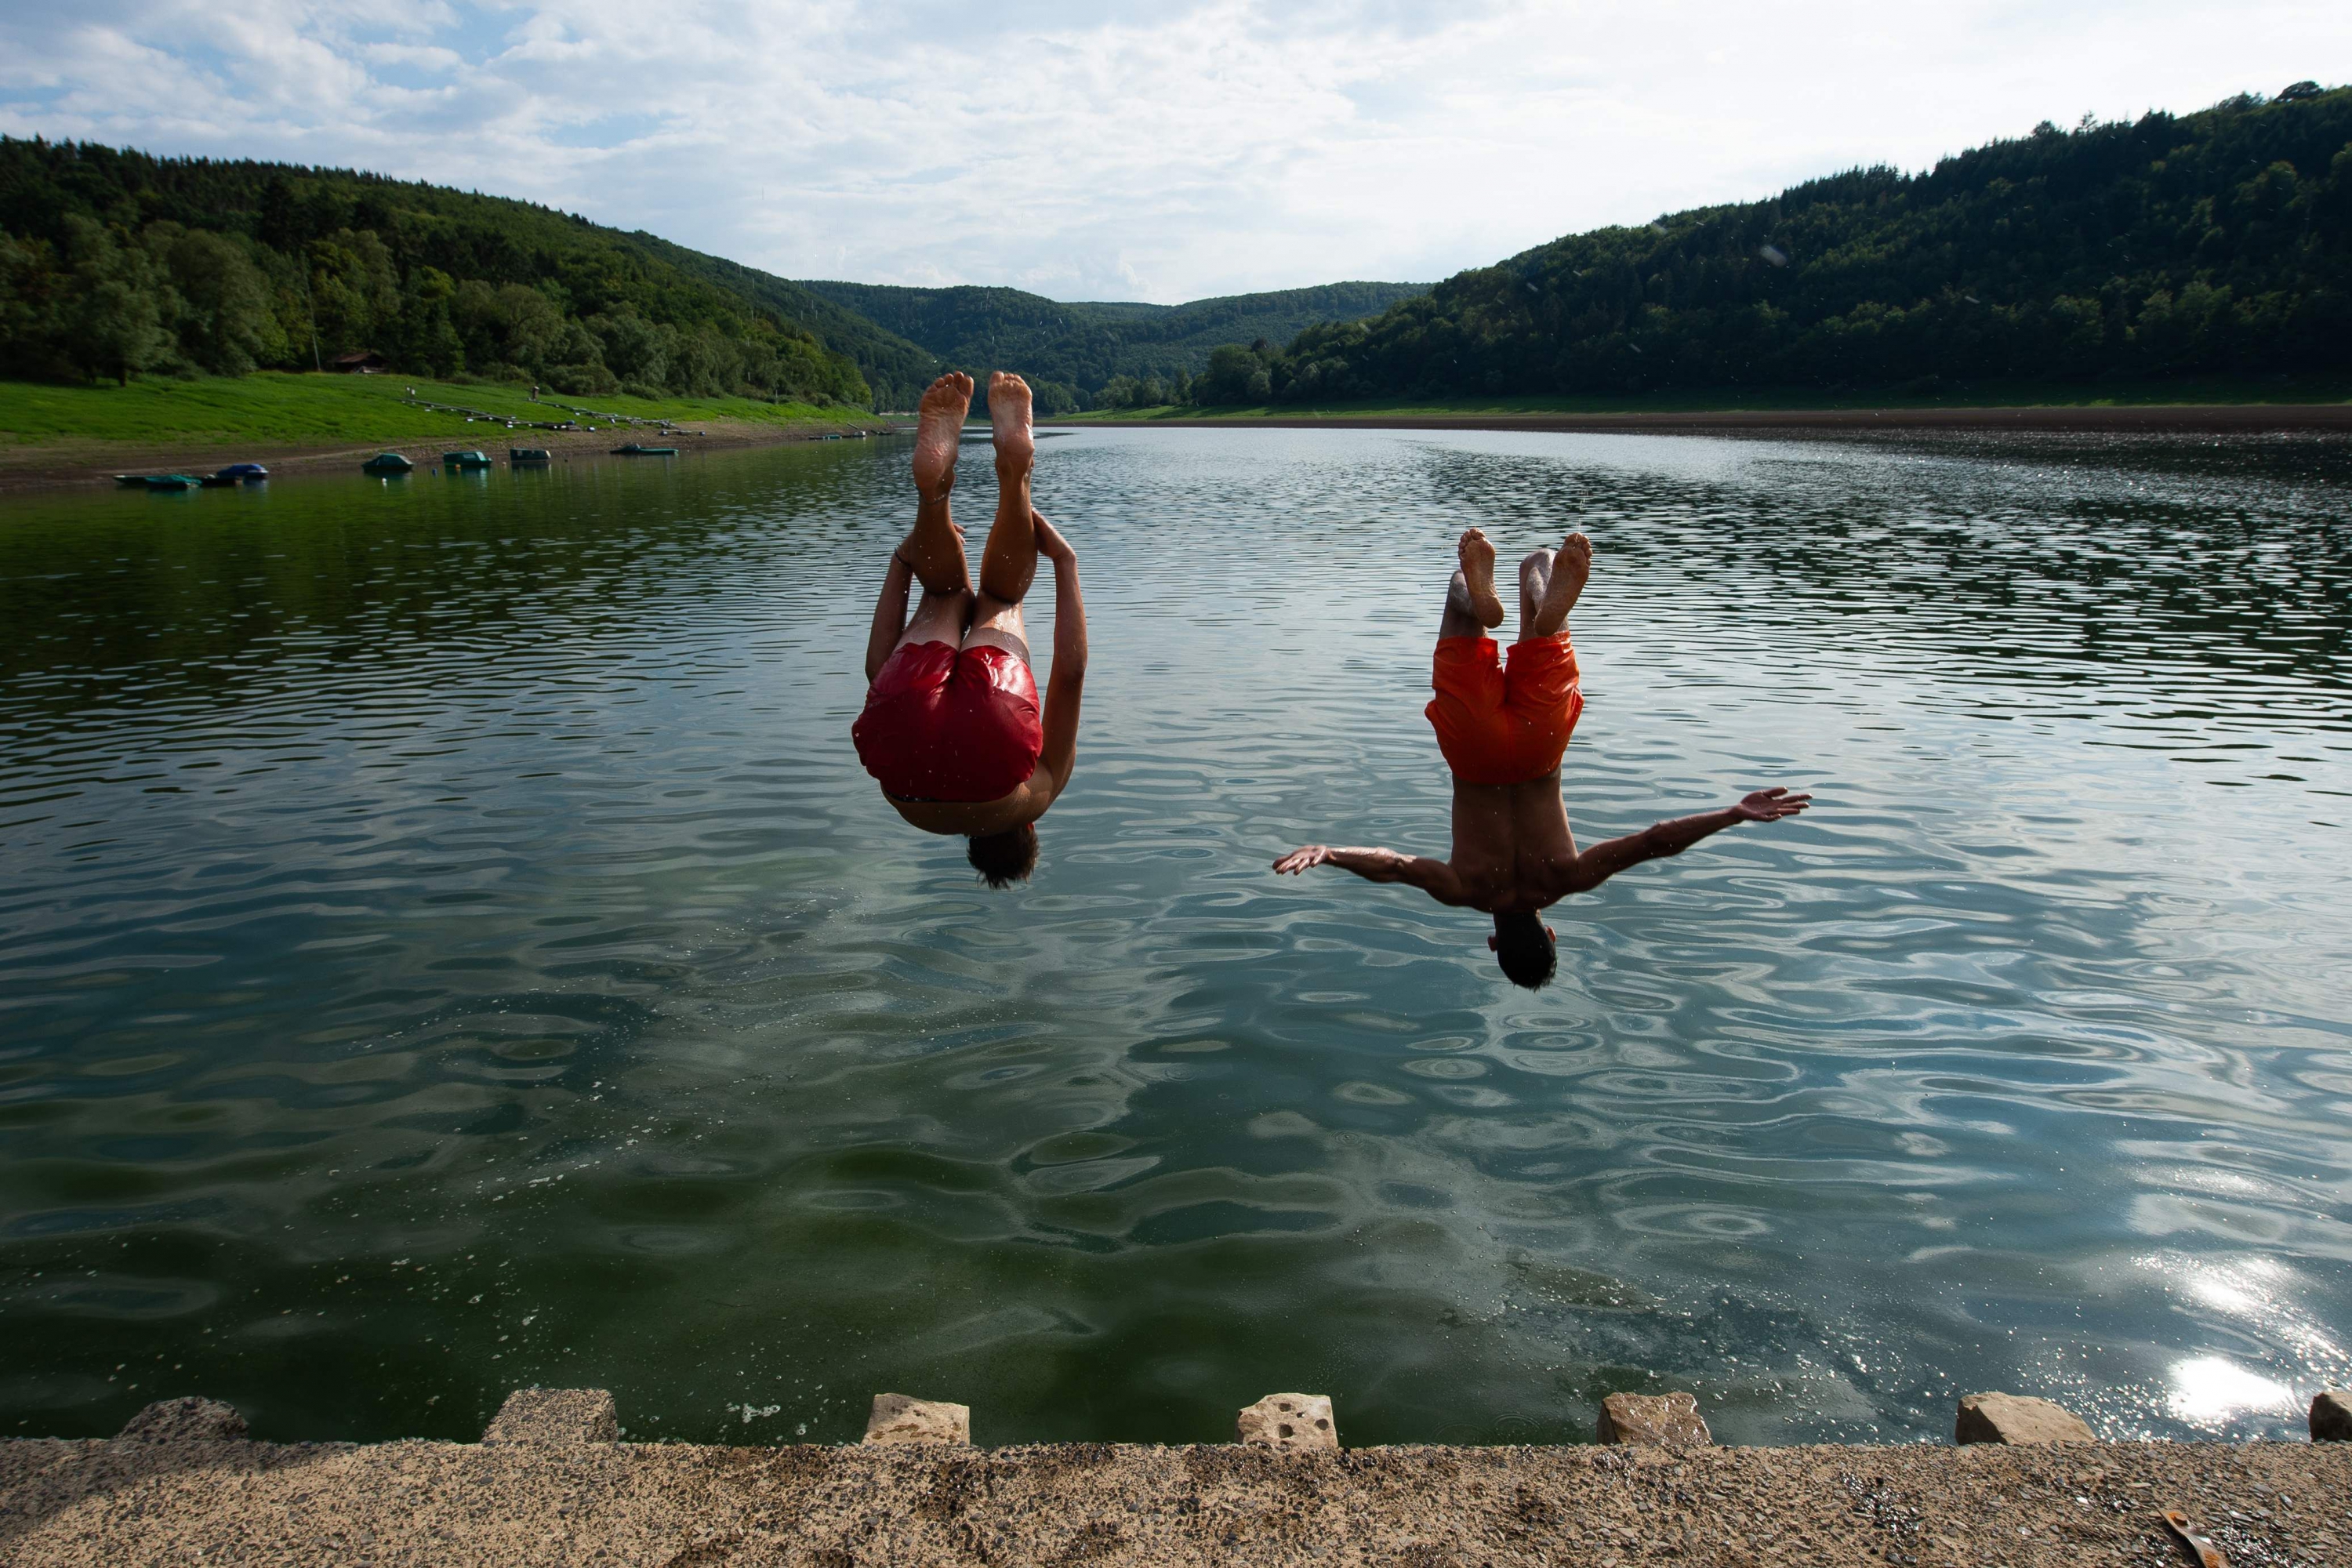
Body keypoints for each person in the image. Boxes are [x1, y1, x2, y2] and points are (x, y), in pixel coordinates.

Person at [1272, 528, 1810, 989]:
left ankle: (1540, 593)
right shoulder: (1464, 888)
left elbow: (1655, 841)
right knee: (1458, 593)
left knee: (1541, 562)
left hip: (1540, 746)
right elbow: (1393, 866)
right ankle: (1474, 594)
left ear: (1550, 931)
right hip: (1475, 753)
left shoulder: (1569, 879)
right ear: (1493, 943)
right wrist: (1331, 852)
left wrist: (1733, 814)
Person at [852, 372, 1087, 887]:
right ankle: (931, 498)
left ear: (1026, 827)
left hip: (996, 733)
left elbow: (1068, 676)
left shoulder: (1035, 799)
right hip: (905, 737)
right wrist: (902, 560)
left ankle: (1016, 476)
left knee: (1002, 597)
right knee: (944, 595)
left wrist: (1065, 563)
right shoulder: (912, 812)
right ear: (976, 843)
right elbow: (877, 672)